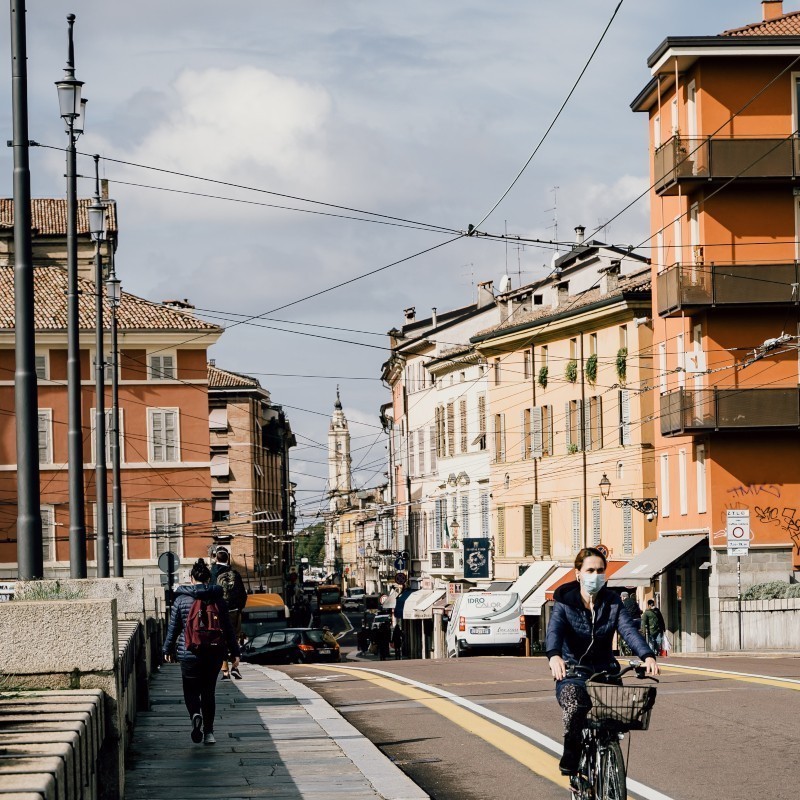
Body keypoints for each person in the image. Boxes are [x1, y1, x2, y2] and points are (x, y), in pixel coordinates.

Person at [546, 547, 658, 779]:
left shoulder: (612, 601)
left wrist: (647, 655)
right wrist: (554, 655)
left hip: (606, 672)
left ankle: (608, 760)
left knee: (616, 716)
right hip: (573, 673)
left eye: (600, 570)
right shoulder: (564, 602)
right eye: (590, 570)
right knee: (575, 706)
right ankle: (572, 752)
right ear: (578, 573)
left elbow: (628, 630)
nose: (595, 575)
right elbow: (554, 630)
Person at [163, 558, 241, 746]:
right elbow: (228, 629)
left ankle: (195, 714)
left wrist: (167, 648)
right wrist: (235, 652)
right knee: (208, 692)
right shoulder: (219, 600)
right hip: (214, 653)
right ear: (209, 580)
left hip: (189, 652)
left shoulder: (181, 600)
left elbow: (173, 628)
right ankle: (209, 733)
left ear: (191, 579)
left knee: (190, 690)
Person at [210, 548, 247, 680]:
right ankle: (235, 667)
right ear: (228, 558)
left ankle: (225, 671)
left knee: (221, 640)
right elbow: (243, 594)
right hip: (234, 612)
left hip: (218, 612)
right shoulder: (235, 574)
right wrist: (239, 608)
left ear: (216, 558)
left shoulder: (212, 573)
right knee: (234, 639)